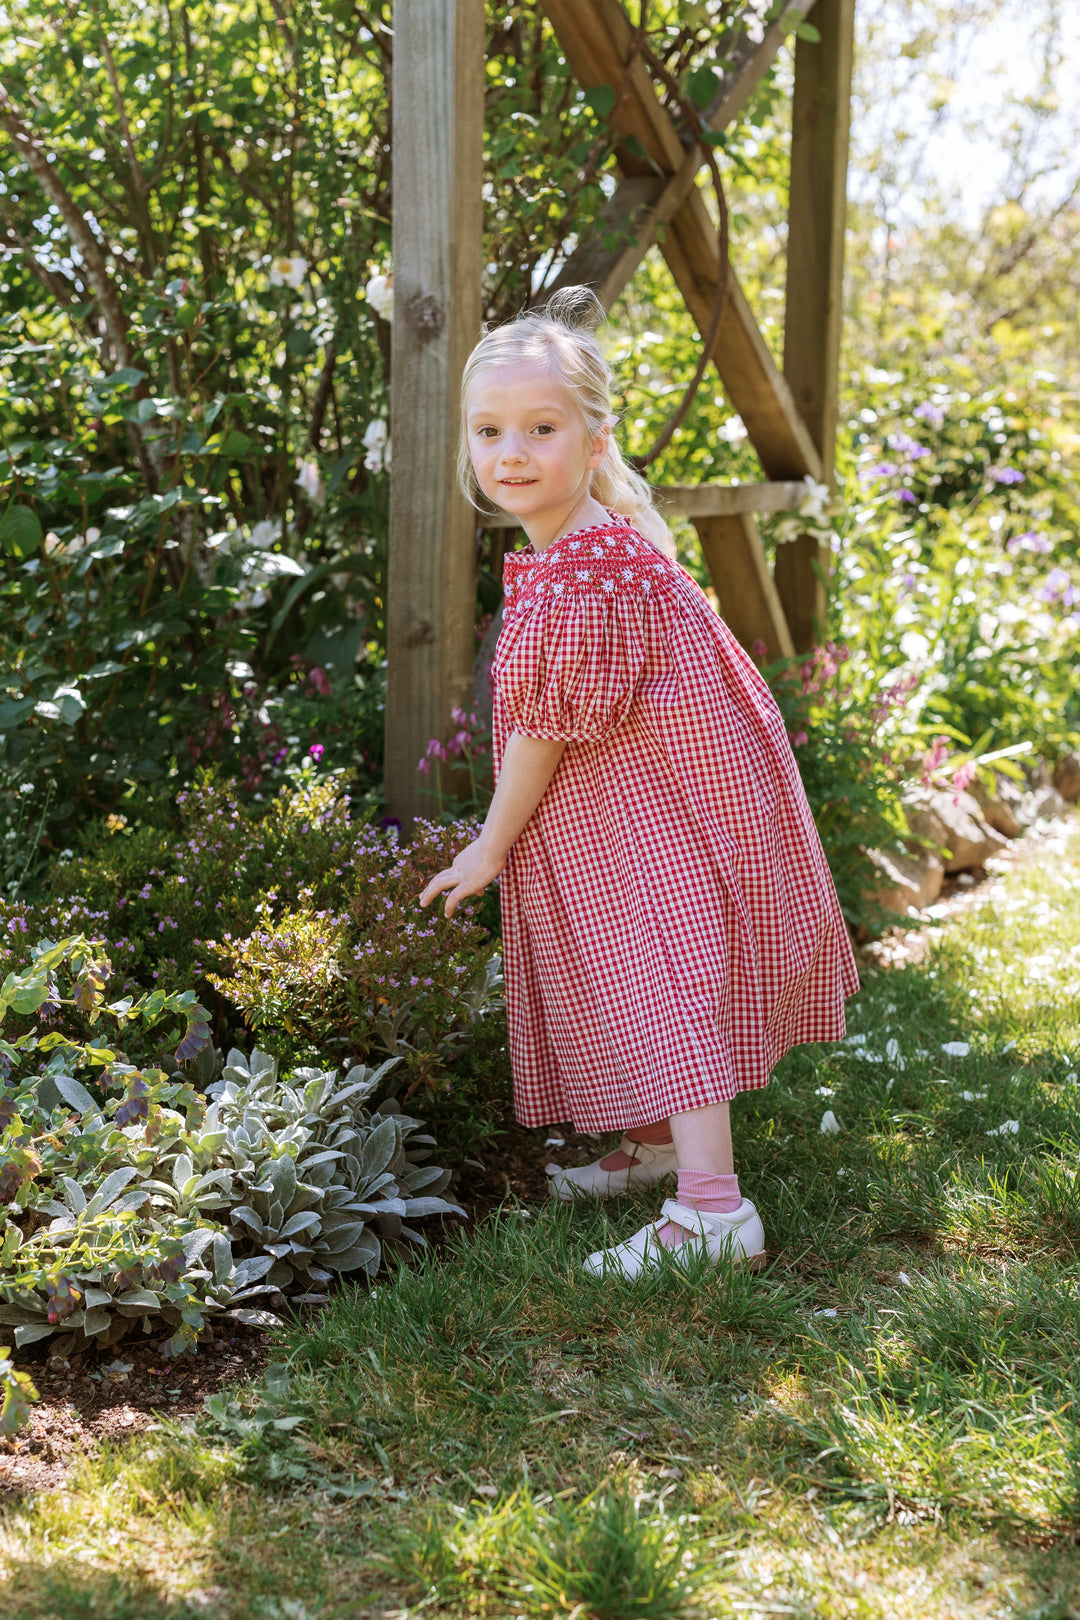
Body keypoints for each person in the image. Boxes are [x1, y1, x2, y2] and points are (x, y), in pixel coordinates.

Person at [419, 287, 859, 1280]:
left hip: (662, 806)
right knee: (643, 963)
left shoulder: (583, 568)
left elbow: (542, 728)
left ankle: (713, 1212)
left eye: (542, 427)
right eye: (490, 431)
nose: (513, 453)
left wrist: (490, 843)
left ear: (592, 437)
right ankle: (660, 1147)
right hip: (651, 792)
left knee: (663, 972)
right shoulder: (587, 544)